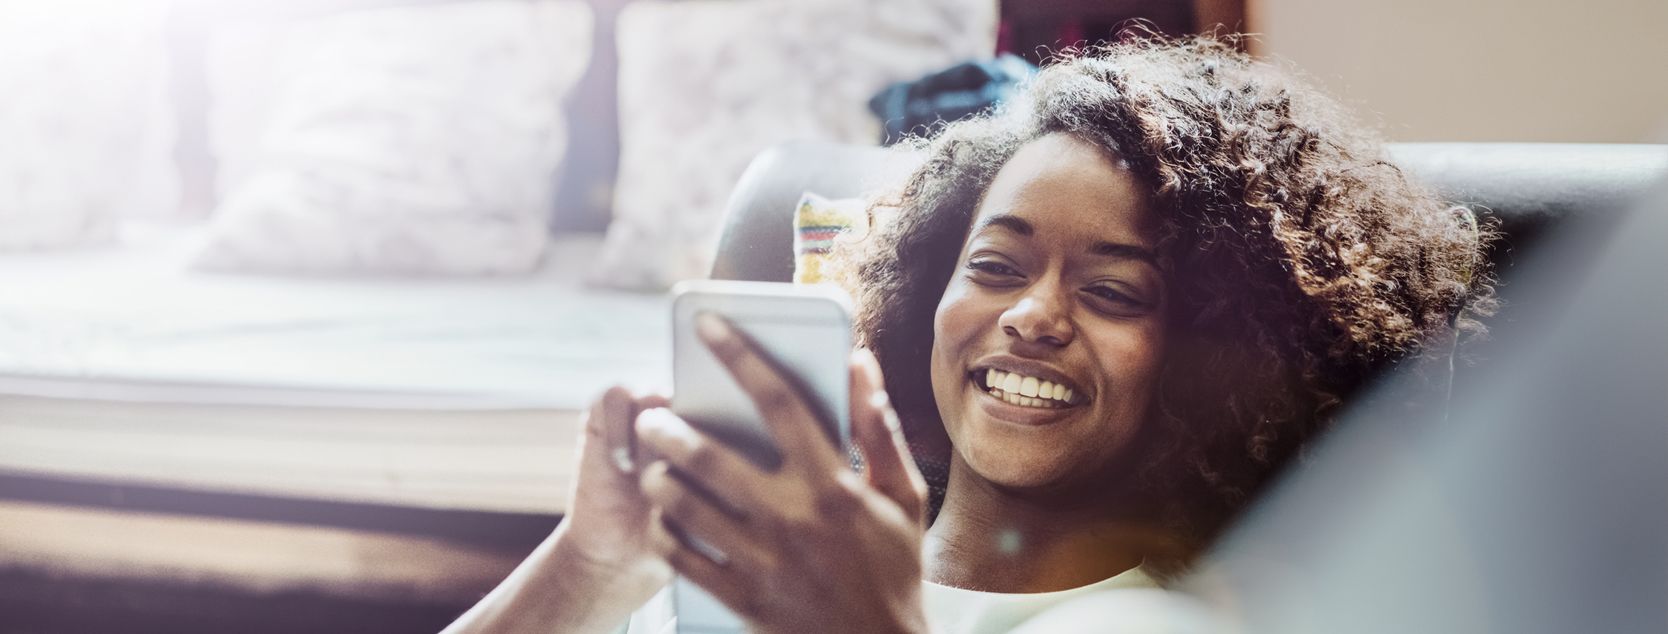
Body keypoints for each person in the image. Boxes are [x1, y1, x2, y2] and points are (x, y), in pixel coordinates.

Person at [444, 36, 1495, 634]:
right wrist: (591, 561)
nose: (1031, 315)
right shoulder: (764, 560)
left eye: (1116, 293)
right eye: (994, 266)